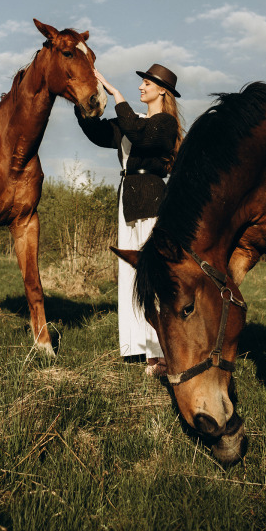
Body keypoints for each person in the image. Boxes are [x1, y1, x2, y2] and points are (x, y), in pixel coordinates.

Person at [75, 63, 183, 377]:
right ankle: (144, 349)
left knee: (157, 278)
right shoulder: (130, 122)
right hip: (128, 203)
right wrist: (83, 102)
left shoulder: (165, 124)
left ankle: (165, 351)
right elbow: (97, 133)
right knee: (131, 279)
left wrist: (117, 94)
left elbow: (142, 137)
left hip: (153, 201)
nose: (141, 87)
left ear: (162, 90)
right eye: (141, 83)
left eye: (146, 83)